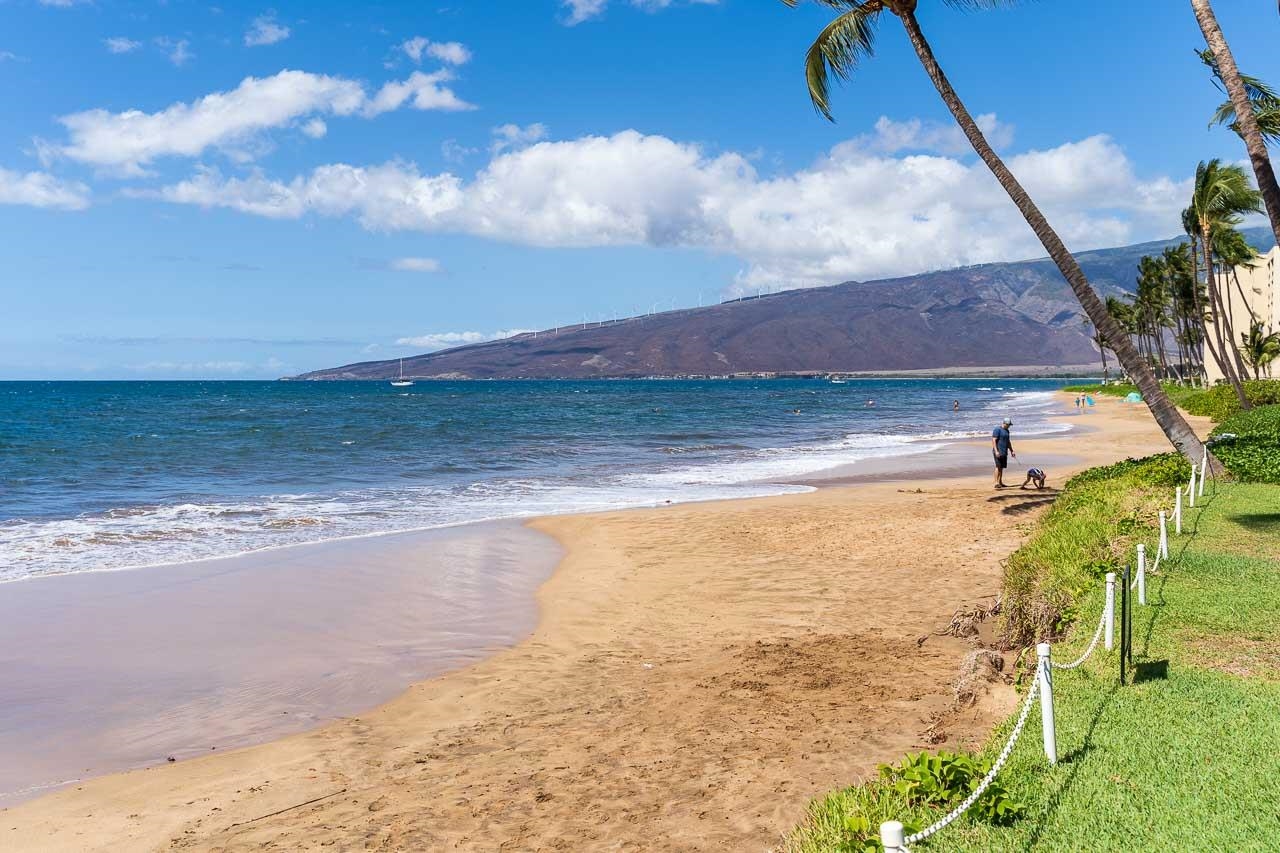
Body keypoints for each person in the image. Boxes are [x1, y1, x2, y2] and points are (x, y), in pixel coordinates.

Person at [991, 417, 1015, 488]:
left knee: (1001, 467)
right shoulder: (997, 429)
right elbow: (993, 440)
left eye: (1009, 425)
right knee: (998, 466)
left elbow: (1008, 442)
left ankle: (1000, 482)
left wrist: (1012, 451)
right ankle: (996, 483)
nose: (1009, 426)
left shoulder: (1007, 431)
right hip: (998, 451)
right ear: (1004, 423)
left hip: (1004, 452)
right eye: (1008, 425)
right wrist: (996, 451)